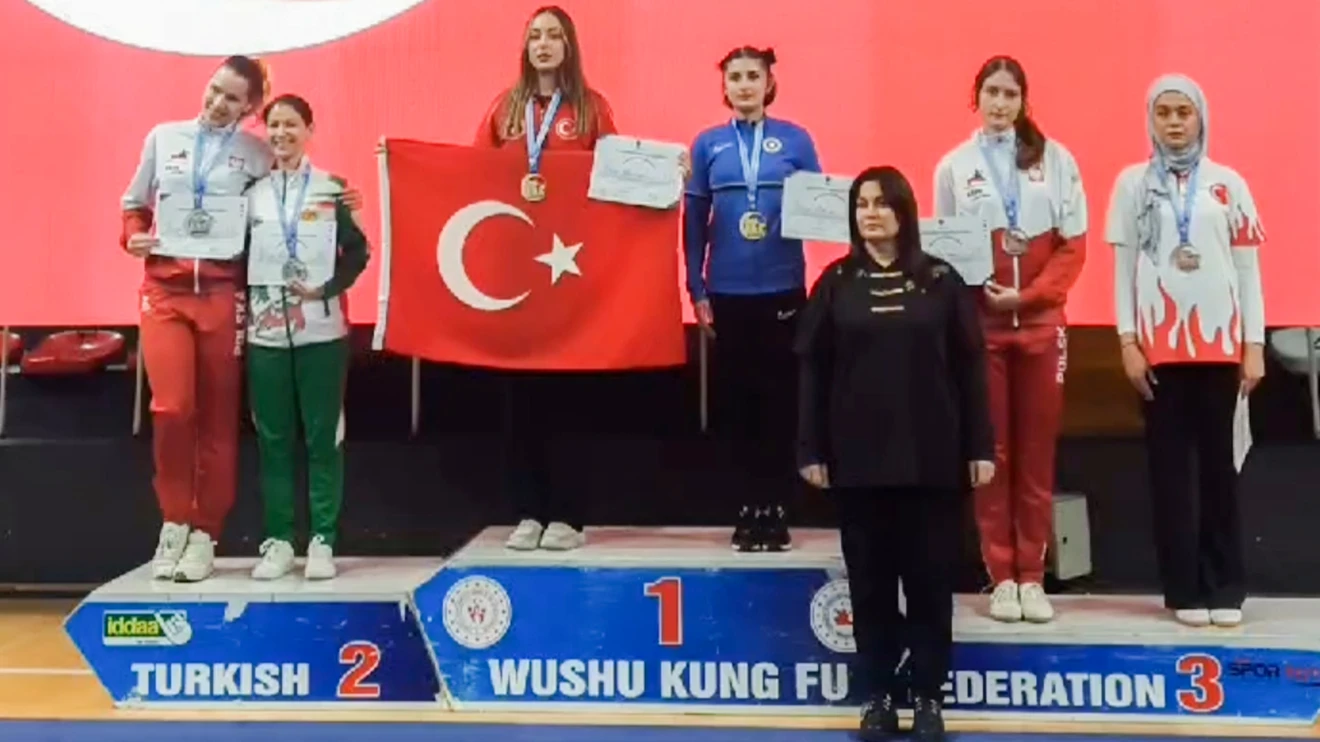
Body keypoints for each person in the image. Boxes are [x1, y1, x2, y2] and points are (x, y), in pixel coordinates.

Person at [795, 166, 995, 742]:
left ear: (905, 212)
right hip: (858, 463)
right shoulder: (835, 283)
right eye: (862, 205)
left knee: (930, 584)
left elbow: (970, 370)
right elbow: (813, 373)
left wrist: (979, 446)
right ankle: (878, 696)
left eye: (882, 204)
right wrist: (811, 448)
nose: (871, 214)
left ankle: (929, 696)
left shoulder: (941, 280)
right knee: (871, 587)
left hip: (932, 460)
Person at [1105, 74, 1265, 628]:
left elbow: (1248, 270)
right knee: (1170, 476)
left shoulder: (1228, 184)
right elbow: (1123, 269)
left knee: (1220, 472)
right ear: (1150, 120)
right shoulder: (1133, 185)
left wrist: (1253, 345)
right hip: (1159, 353)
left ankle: (1226, 586)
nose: (1174, 122)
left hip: (1220, 349)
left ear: (1201, 118)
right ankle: (1183, 589)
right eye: (1164, 113)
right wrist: (1128, 341)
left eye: (1184, 112)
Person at [932, 55, 1088, 623]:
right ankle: (1001, 577)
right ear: (976, 98)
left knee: (1036, 454)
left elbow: (1074, 247)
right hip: (985, 331)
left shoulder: (1056, 160)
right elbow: (946, 250)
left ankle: (1033, 576)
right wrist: (978, 303)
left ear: (1024, 100)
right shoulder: (954, 166)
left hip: (1042, 328)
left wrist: (1029, 297)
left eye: (1010, 94)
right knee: (992, 455)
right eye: (991, 92)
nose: (1000, 103)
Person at [121, 55, 274, 582]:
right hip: (164, 292)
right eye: (214, 90)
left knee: (217, 418)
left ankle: (206, 532)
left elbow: (277, 214)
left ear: (250, 107)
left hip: (222, 294)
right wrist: (133, 235)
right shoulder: (164, 138)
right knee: (172, 408)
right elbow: (134, 205)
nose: (217, 103)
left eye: (232, 98)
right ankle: (174, 521)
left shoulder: (258, 154)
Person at [472, 5, 615, 551]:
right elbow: (470, 176)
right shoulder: (505, 109)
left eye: (554, 35)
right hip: (516, 276)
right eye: (535, 35)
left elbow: (619, 177)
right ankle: (529, 511)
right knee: (521, 399)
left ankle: (568, 516)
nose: (544, 43)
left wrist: (664, 174)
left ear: (569, 45)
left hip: (569, 273)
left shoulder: (591, 108)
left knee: (569, 398)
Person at [684, 46, 822, 553]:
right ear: (724, 87)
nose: (744, 85)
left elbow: (821, 206)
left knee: (779, 406)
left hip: (783, 290)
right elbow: (694, 224)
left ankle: (776, 510)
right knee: (738, 408)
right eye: (735, 77)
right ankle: (745, 510)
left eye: (753, 76)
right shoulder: (708, 145)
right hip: (727, 293)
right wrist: (696, 287)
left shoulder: (796, 140)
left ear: (769, 84)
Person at [246, 94, 370, 581]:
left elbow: (358, 253)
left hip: (322, 332)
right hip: (265, 336)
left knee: (323, 438)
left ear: (309, 130)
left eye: (291, 125)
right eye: (273, 125)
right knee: (273, 440)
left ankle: (322, 539)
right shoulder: (251, 194)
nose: (281, 134)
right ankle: (278, 541)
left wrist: (328, 288)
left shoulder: (332, 190)